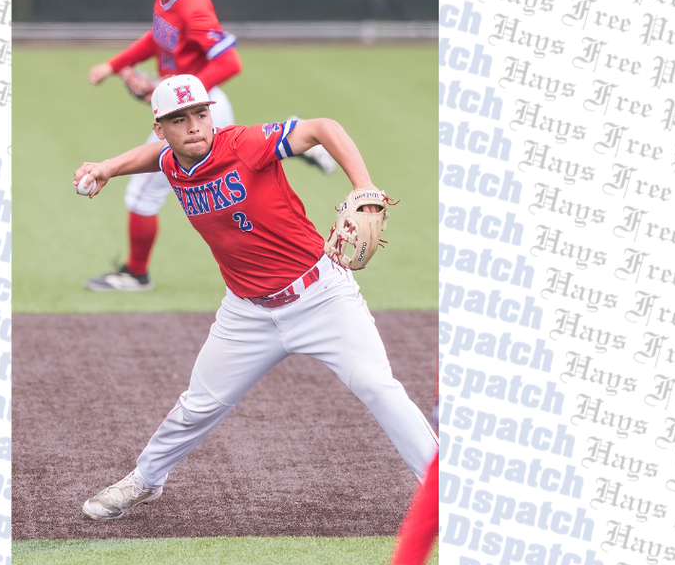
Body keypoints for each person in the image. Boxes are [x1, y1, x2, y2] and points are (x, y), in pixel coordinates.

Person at [73, 74, 437, 521]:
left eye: (201, 114)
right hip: (246, 312)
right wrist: (109, 165)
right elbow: (157, 159)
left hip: (320, 295)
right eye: (179, 119)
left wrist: (364, 190)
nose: (194, 126)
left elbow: (324, 127)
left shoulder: (246, 143)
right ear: (161, 128)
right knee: (198, 405)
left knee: (377, 385)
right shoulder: (172, 162)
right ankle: (145, 480)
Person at [84, 0, 336, 292]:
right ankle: (297, 140)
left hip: (198, 112)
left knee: (142, 194)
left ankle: (136, 274)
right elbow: (159, 38)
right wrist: (114, 64)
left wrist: (178, 99)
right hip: (202, 108)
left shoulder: (194, 8)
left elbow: (230, 62)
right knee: (241, 163)